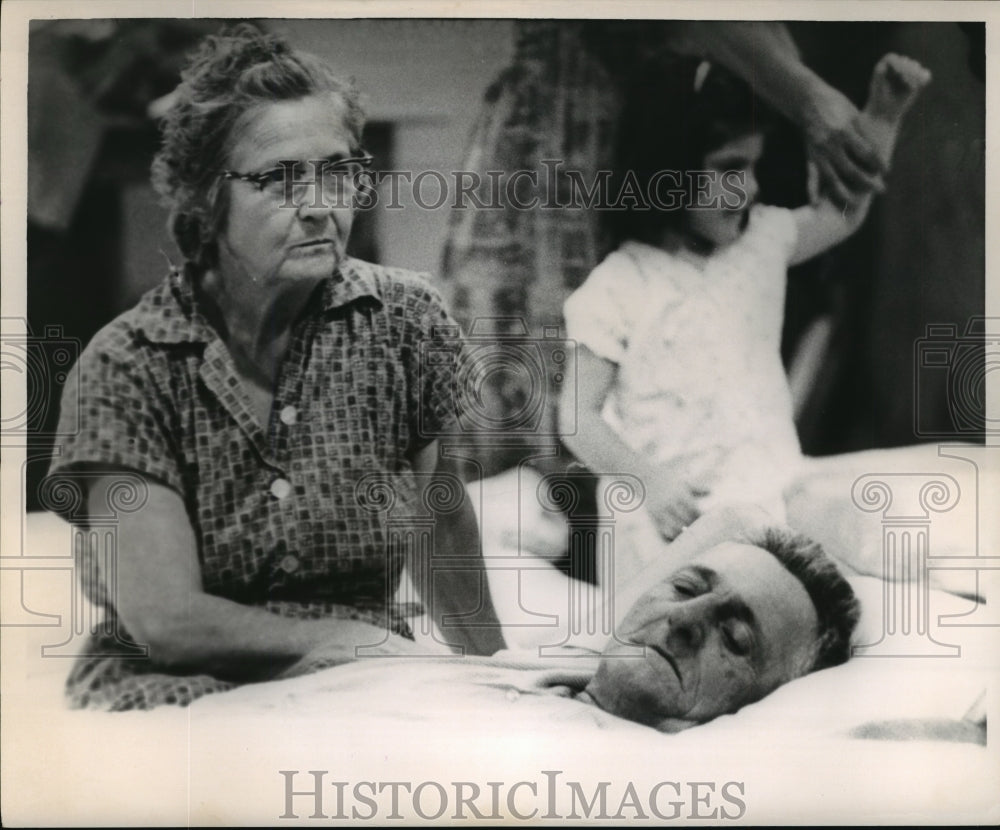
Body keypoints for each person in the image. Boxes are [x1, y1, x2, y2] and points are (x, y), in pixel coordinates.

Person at [44, 23, 503, 712]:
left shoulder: (404, 321)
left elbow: (438, 520)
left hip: (364, 685)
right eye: (281, 179)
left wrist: (500, 682)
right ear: (205, 198)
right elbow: (168, 621)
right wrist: (343, 638)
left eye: (338, 170)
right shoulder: (128, 365)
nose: (321, 204)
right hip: (177, 697)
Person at [560, 52, 930, 587]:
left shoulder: (762, 243)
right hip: (674, 524)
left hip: (770, 494)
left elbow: (842, 213)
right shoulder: (620, 285)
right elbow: (576, 417)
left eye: (753, 167)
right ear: (668, 171)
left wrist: (883, 115)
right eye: (730, 168)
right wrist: (648, 483)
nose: (750, 187)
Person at [265, 505, 861, 733]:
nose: (683, 619)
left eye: (734, 639)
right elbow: (731, 516)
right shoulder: (531, 666)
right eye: (683, 587)